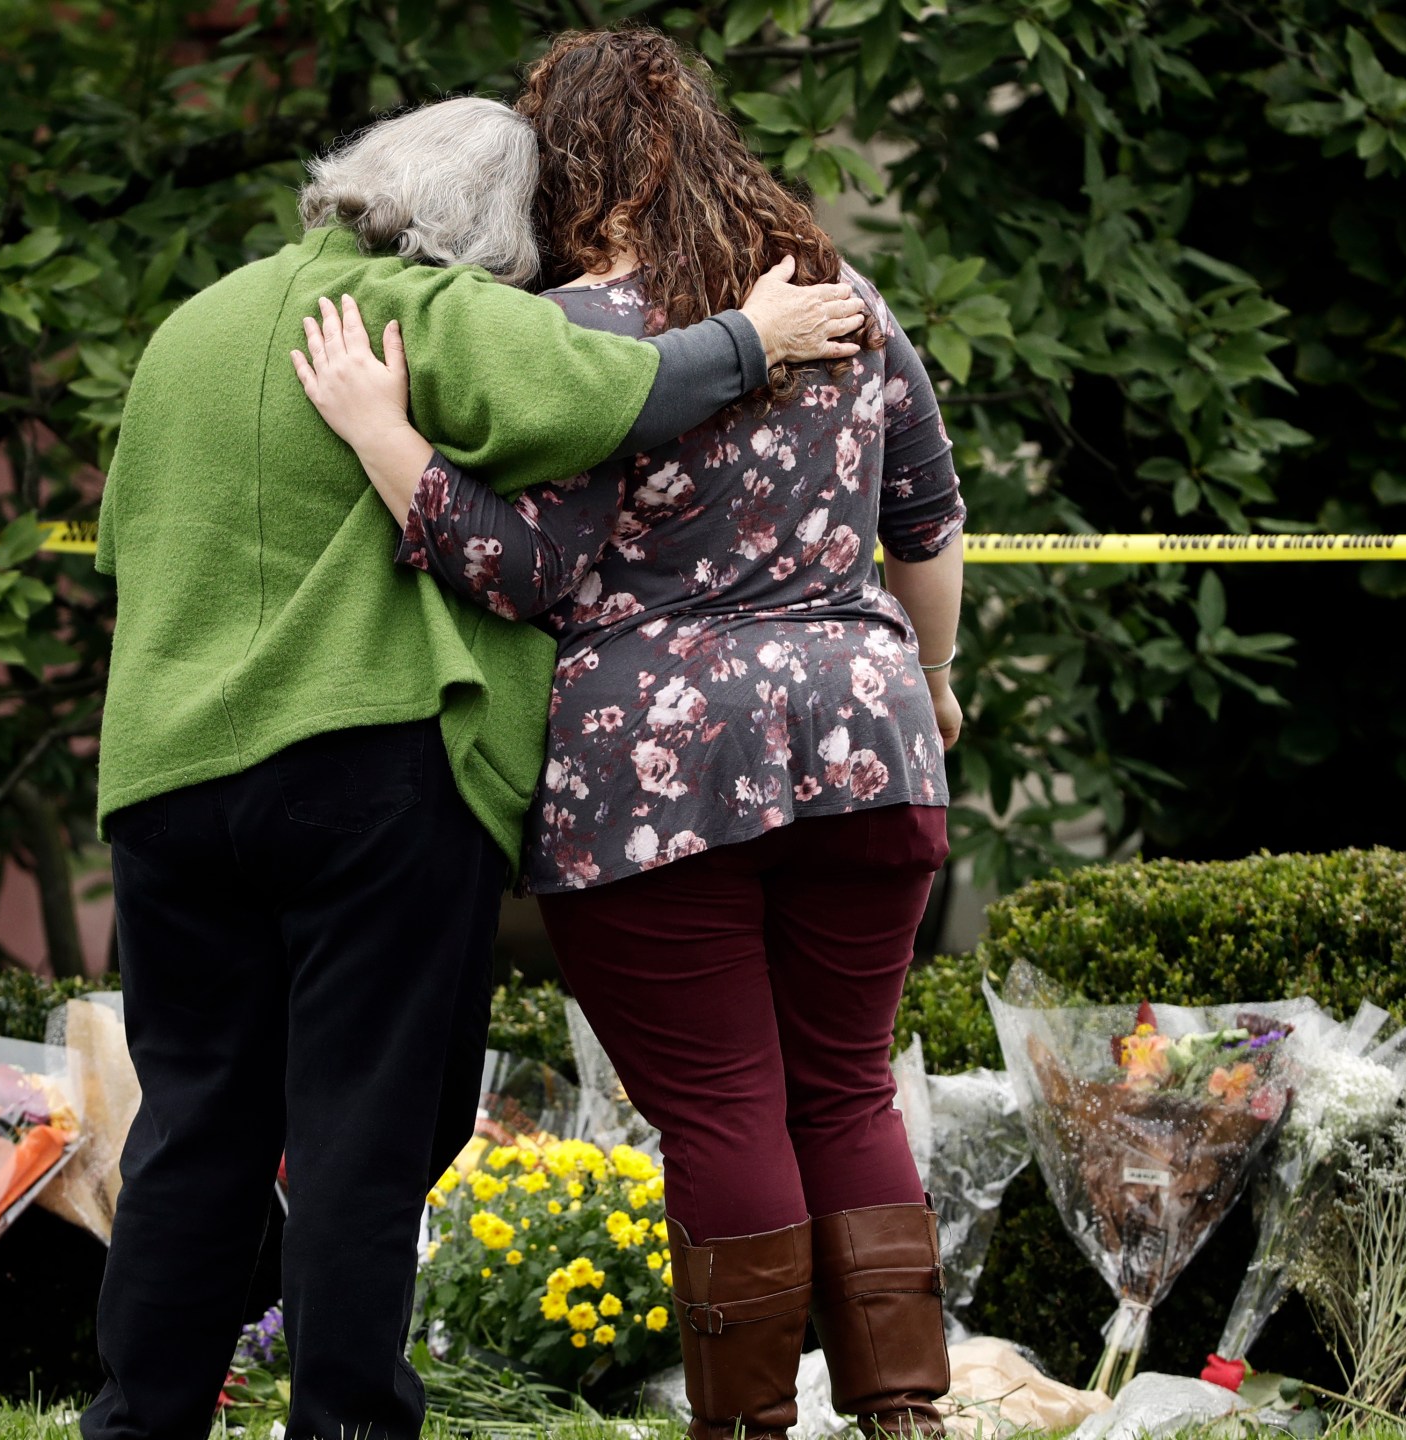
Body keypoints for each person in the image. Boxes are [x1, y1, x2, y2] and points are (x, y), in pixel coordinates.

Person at [84, 94, 868, 1440]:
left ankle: (140, 1423)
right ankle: (347, 1422)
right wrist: (761, 336)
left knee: (196, 1121)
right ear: (489, 234)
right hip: (365, 772)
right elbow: (613, 392)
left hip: (170, 781)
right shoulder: (433, 312)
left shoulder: (190, 330)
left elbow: (118, 548)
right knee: (364, 1129)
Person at [289, 30, 968, 1440]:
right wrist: (938, 682)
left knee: (723, 1104)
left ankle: (750, 1426)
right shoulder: (844, 299)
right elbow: (930, 518)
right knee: (844, 1083)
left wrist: (383, 440)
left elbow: (516, 564)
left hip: (658, 779)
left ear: (569, 175)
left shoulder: (581, 337)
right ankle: (905, 1412)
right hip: (869, 734)